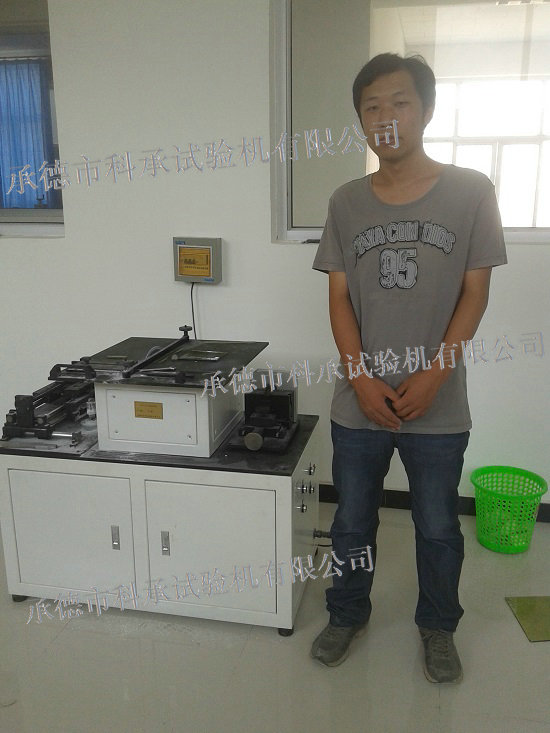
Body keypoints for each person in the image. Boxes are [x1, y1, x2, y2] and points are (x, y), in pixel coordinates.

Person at [310, 53, 507, 682]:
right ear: (360, 121)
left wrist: (434, 374)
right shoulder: (345, 201)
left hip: (437, 403)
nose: (385, 117)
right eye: (371, 107)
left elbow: (475, 293)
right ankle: (346, 613)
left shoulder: (471, 191)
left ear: (425, 111)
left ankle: (438, 627)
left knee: (439, 528)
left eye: (399, 102)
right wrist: (361, 379)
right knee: (350, 523)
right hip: (359, 402)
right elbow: (338, 299)